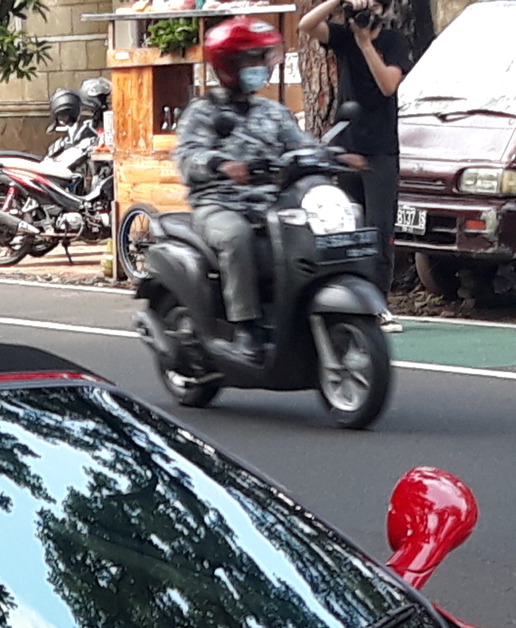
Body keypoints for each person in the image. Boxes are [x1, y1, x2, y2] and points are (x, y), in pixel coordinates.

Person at [175, 17, 320, 360]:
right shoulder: (203, 112)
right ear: (228, 66)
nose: (260, 67)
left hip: (271, 204)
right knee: (237, 236)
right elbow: (187, 156)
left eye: (262, 58)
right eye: (251, 60)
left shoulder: (272, 111)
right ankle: (246, 325)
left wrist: (338, 155)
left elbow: (300, 144)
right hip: (219, 206)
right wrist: (219, 165)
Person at [301, 0, 409, 271]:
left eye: (373, 6)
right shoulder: (344, 38)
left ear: (383, 11)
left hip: (380, 150)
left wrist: (366, 44)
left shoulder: (395, 41)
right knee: (343, 227)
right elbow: (306, 25)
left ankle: (379, 299)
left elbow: (387, 86)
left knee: (378, 231)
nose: (366, 13)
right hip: (346, 148)